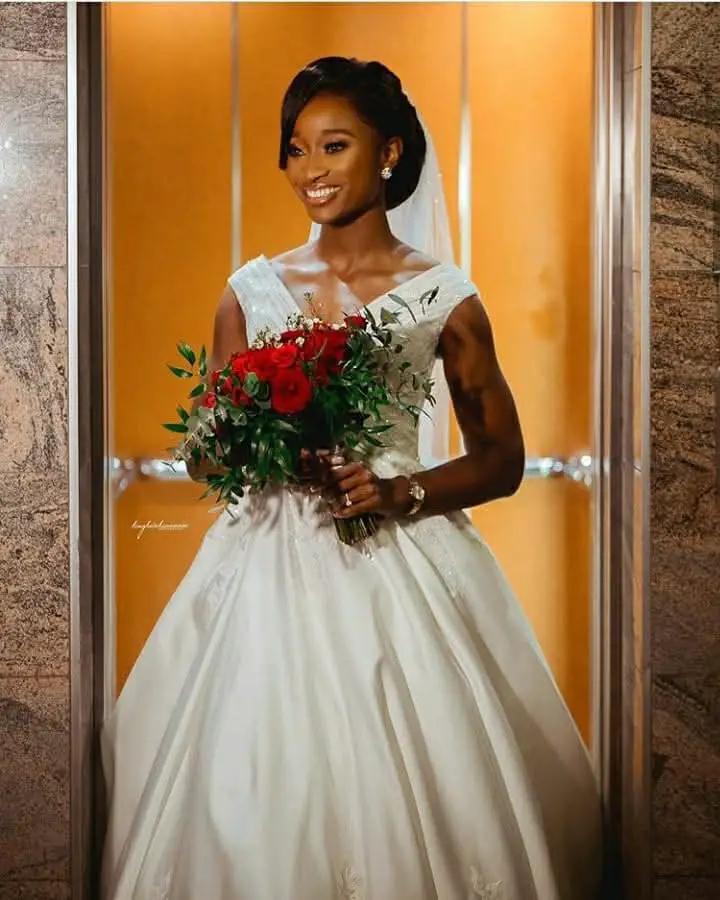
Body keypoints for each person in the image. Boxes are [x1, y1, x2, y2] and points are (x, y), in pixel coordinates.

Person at [101, 57, 602, 899]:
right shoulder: (250, 291)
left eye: (334, 146)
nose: (312, 170)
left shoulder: (444, 297)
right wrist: (256, 444)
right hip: (263, 565)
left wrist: (400, 490)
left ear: (391, 153)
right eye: (296, 151)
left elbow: (502, 458)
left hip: (393, 558)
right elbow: (205, 448)